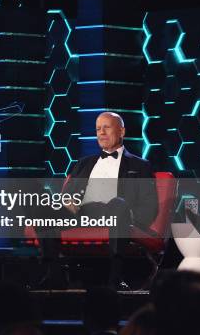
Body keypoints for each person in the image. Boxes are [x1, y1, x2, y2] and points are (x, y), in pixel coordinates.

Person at [41, 112, 158, 289]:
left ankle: (116, 277)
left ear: (122, 131)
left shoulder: (140, 166)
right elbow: (67, 195)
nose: (101, 133)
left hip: (115, 212)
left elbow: (150, 204)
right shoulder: (83, 163)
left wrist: (130, 217)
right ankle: (55, 275)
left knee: (118, 204)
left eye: (106, 127)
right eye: (98, 129)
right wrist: (67, 202)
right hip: (82, 214)